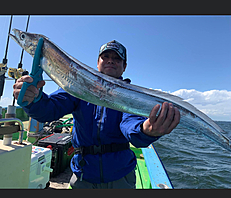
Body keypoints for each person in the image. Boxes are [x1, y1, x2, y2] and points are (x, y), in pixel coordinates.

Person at [13, 40, 180, 189]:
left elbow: (131, 125)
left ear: (124, 66)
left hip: (120, 177)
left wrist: (146, 129)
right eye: (105, 56)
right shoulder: (77, 86)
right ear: (98, 62)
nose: (110, 60)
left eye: (117, 59)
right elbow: (48, 110)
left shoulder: (129, 95)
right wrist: (33, 100)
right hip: (83, 175)